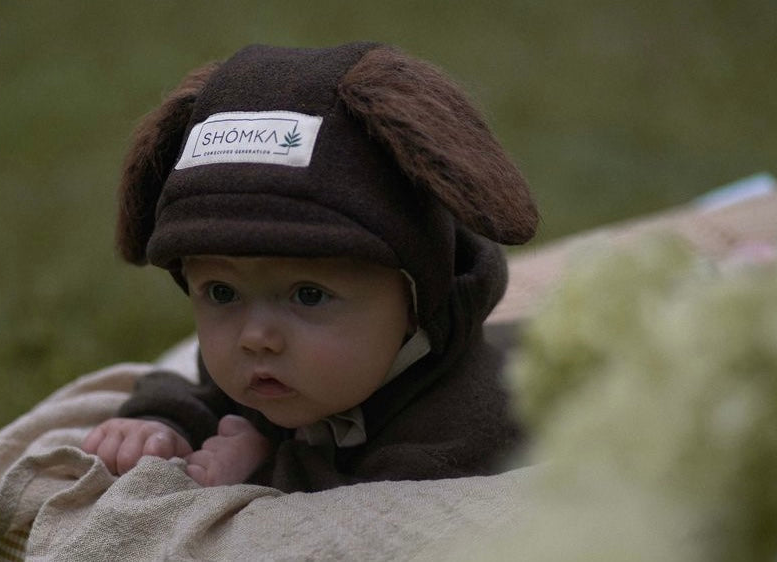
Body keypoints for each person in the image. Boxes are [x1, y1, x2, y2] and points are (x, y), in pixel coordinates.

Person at [81, 41, 539, 492]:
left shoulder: (466, 420)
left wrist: (260, 472)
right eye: (222, 292)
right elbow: (206, 398)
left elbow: (383, 519)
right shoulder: (278, 371)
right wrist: (160, 423)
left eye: (309, 294)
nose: (255, 336)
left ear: (413, 301)